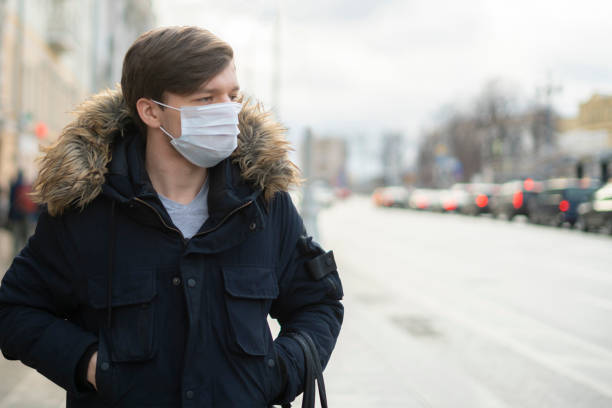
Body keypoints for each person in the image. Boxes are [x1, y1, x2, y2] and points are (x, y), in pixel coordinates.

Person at [0, 26, 343, 407]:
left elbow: (318, 303)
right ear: (150, 111)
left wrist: (277, 372)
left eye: (232, 96)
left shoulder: (262, 202)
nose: (228, 112)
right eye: (205, 98)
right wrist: (91, 365)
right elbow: (16, 311)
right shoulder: (87, 207)